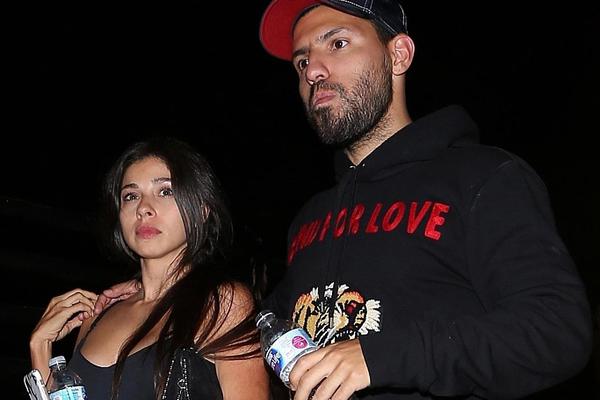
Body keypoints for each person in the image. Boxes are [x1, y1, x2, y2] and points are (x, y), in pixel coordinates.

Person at [95, 1, 594, 399]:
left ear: (398, 55)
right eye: (301, 60)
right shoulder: (310, 219)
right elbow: (258, 327)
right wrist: (158, 294)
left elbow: (558, 331)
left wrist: (379, 357)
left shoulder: (482, 176)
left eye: (337, 43)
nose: (313, 70)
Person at [29, 136, 269, 399]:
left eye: (165, 191)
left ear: (202, 210)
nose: (143, 208)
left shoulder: (222, 304)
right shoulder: (95, 318)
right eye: (131, 196)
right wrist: (40, 349)